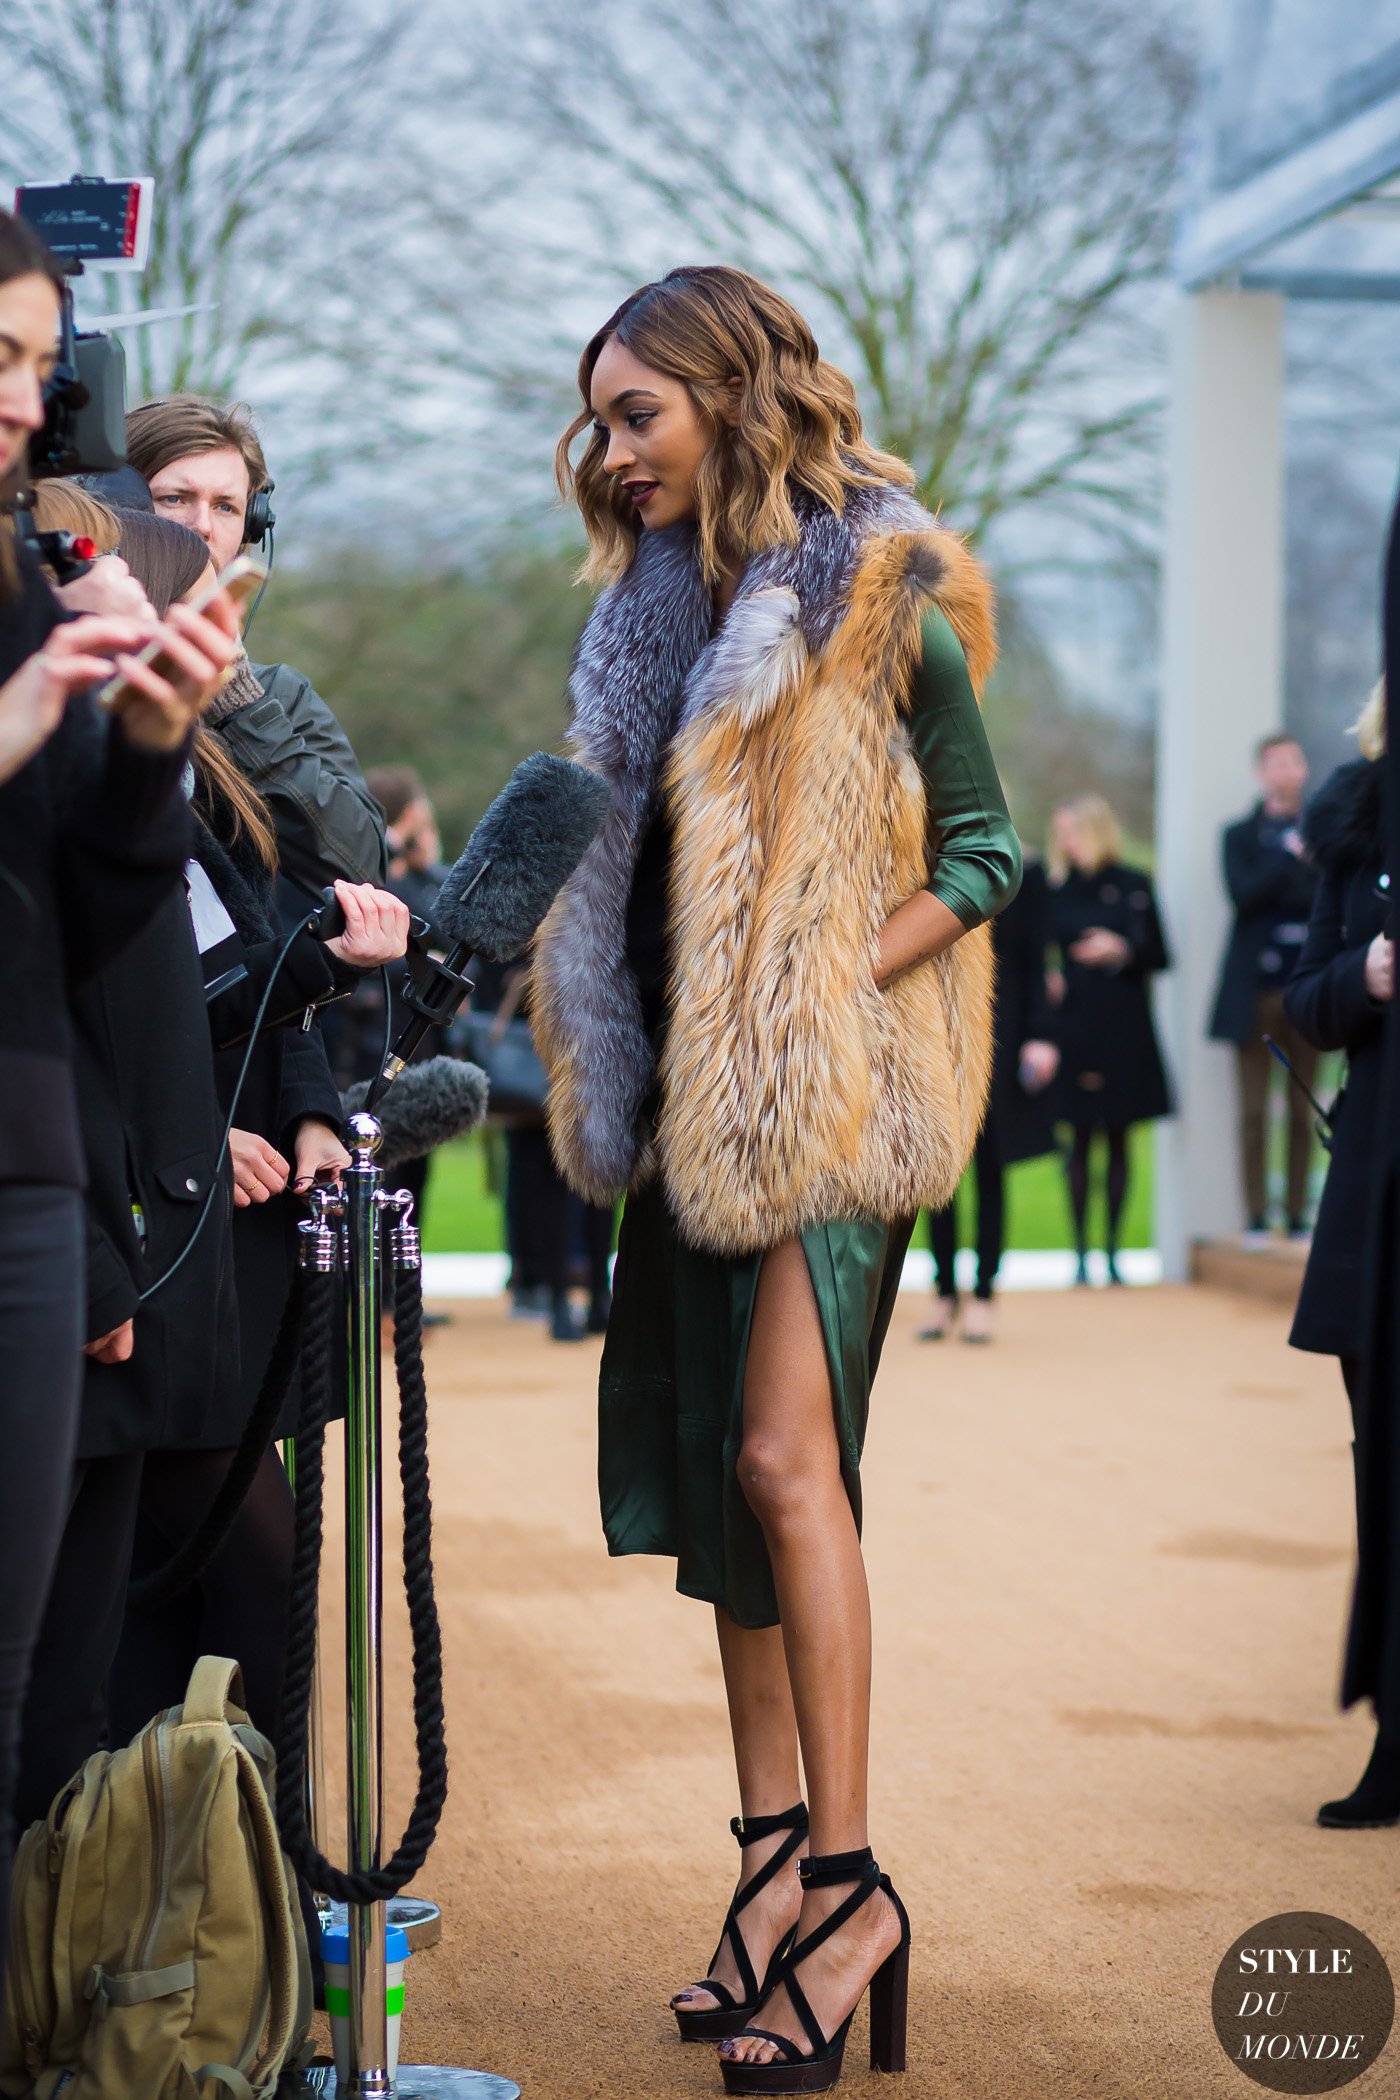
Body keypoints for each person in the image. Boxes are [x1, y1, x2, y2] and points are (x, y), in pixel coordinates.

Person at [532, 265, 1021, 2091]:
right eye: (599, 419)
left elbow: (982, 857)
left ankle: (853, 1882)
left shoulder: (891, 596)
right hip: (680, 1111)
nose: (611, 449)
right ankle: (762, 1864)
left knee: (781, 1466)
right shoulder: (648, 617)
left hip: (827, 1109)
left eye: (636, 412)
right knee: (715, 1488)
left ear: (735, 397)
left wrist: (822, 981)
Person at [0, 208, 238, 1942]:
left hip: (28, 1170)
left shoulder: (37, 576)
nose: (26, 403)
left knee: (22, 1701)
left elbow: (91, 928)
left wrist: (147, 741)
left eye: (37, 362)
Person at [122, 392, 388, 904]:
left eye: (226, 507)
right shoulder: (55, 663)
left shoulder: (275, 698)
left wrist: (240, 706)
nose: (202, 525)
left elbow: (363, 870)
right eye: (174, 498)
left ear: (250, 529)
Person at [1284, 684, 1398, 1826]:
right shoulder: (1355, 820)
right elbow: (1304, 1002)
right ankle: (1392, 1739)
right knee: (1382, 1471)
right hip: (1376, 1183)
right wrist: (1361, 977)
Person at [919, 855, 1058, 1342]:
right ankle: (943, 1293)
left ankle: (983, 1295)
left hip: (1002, 1035)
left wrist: (1041, 1035)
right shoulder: (928, 866)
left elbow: (1038, 960)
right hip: (938, 1037)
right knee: (939, 1175)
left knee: (992, 1170)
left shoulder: (1024, 875)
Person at [1046, 794, 1172, 1286]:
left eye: (1073, 832)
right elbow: (1037, 952)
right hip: (1074, 1027)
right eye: (1062, 835)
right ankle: (1079, 1253)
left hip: (1123, 1027)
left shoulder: (1135, 884)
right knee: (1077, 1140)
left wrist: (1121, 950)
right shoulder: (1056, 891)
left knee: (1119, 1138)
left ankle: (1114, 1252)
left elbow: (1161, 954)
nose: (1067, 843)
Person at [1209, 735, 1320, 1238]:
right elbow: (1244, 894)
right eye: (1275, 761)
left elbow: (1320, 897)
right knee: (1253, 1111)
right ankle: (1256, 1216)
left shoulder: (1326, 832)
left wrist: (1295, 859)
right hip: (1253, 995)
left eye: (1293, 761)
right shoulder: (1238, 835)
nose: (1284, 770)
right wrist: (1289, 856)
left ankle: (1297, 1214)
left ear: (1304, 770)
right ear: (1261, 771)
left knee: (1303, 1110)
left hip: (1307, 990)